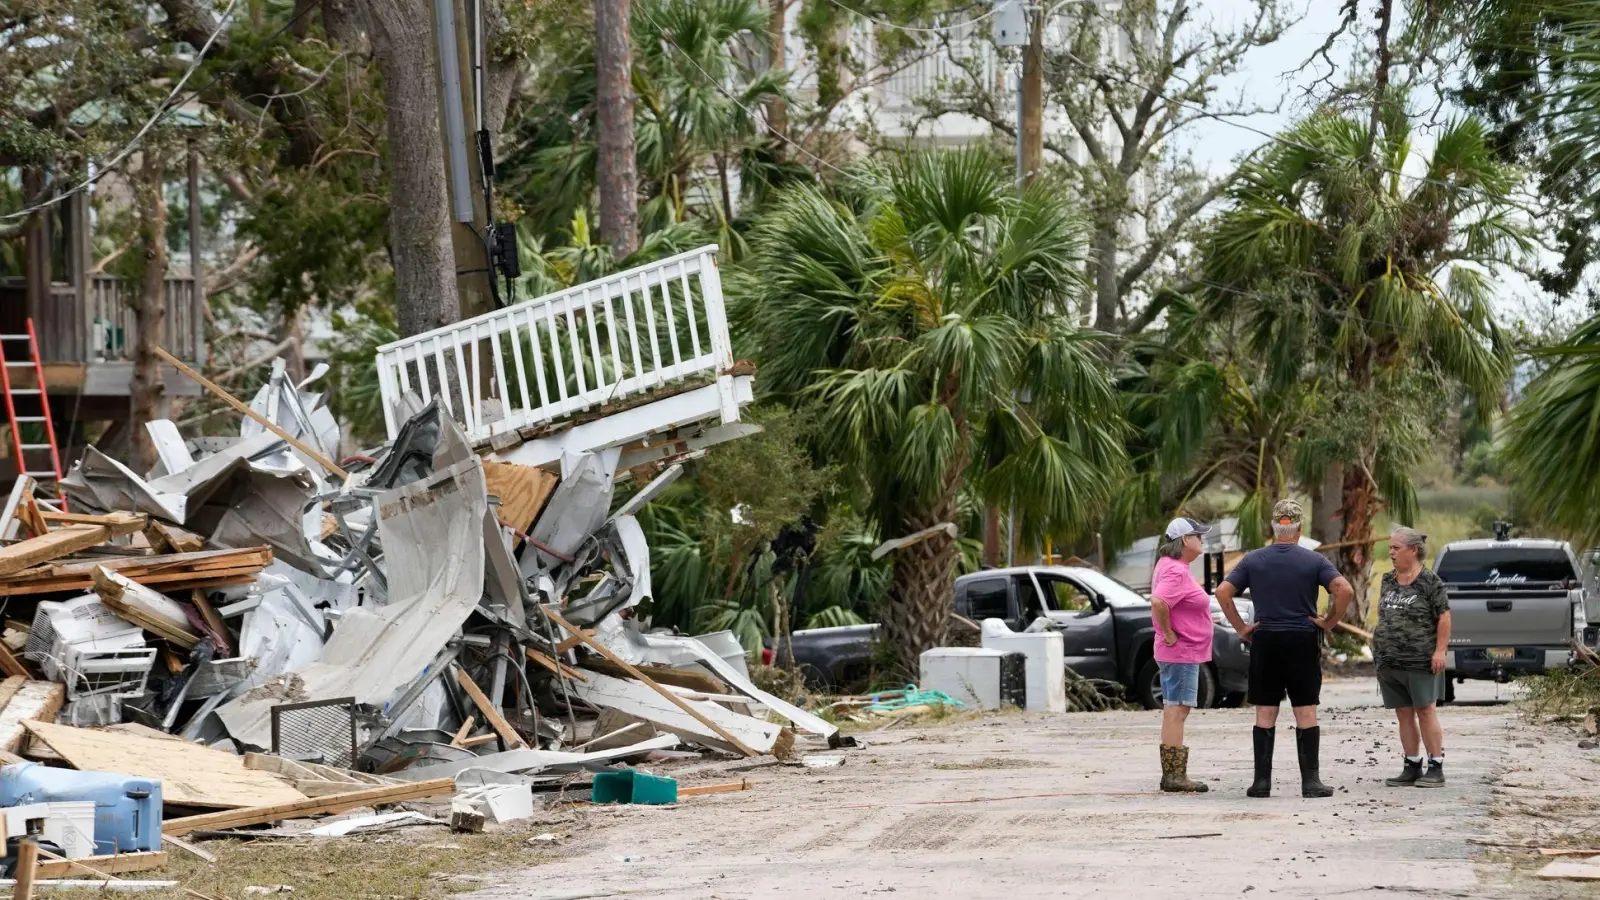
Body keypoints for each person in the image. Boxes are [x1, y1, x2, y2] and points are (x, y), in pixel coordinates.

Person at [1214, 499, 1355, 799]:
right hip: (1302, 639)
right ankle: (1311, 782)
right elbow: (1344, 589)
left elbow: (1223, 592)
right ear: (1300, 528)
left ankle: (1261, 783)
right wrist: (1328, 622)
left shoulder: (1253, 559)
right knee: (1305, 709)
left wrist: (1241, 627)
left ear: (1273, 527)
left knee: (1265, 709)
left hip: (1266, 639)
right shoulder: (1313, 560)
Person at [1373, 526, 1451, 788]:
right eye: (1390, 548)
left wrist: (1440, 651)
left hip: (1420, 661)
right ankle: (1411, 764)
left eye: (1396, 548)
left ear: (1413, 550)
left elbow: (1444, 617)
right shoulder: (1388, 580)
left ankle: (1436, 765)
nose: (1391, 552)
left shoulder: (1430, 581)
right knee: (1403, 713)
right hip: (1390, 661)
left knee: (1425, 711)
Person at [1150, 516, 1215, 793]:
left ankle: (1172, 774)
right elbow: (1159, 601)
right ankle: (1175, 776)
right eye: (1198, 535)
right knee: (1178, 709)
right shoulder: (1176, 571)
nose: (1201, 539)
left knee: (1172, 709)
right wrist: (1168, 632)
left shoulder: (1172, 566)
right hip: (1181, 651)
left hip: (1177, 651)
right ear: (1185, 540)